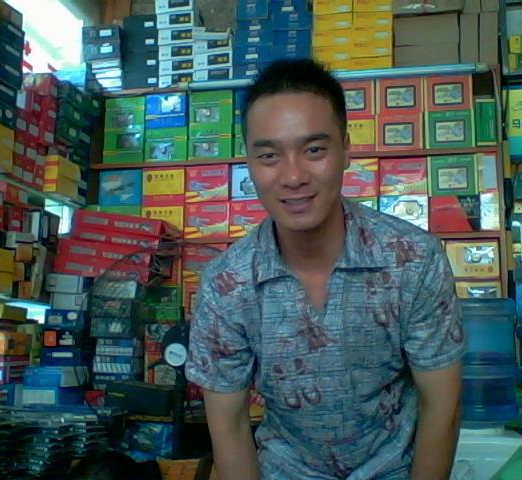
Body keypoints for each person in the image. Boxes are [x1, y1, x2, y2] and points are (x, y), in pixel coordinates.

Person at [186, 59, 464, 480]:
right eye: (269, 155)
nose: (293, 176)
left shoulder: (412, 259)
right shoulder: (227, 285)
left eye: (314, 150)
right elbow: (230, 426)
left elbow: (442, 405)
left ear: (346, 149)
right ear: (249, 162)